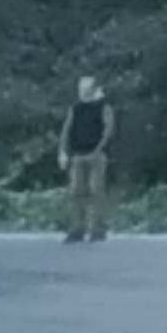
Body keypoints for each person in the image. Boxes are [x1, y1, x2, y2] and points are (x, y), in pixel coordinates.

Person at [60, 77, 116, 245]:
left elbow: (108, 130)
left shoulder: (103, 107)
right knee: (76, 192)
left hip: (96, 155)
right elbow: (66, 129)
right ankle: (77, 228)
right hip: (78, 155)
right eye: (81, 88)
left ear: (93, 89)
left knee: (95, 191)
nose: (82, 91)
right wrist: (63, 151)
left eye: (85, 88)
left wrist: (97, 150)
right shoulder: (75, 108)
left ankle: (97, 229)